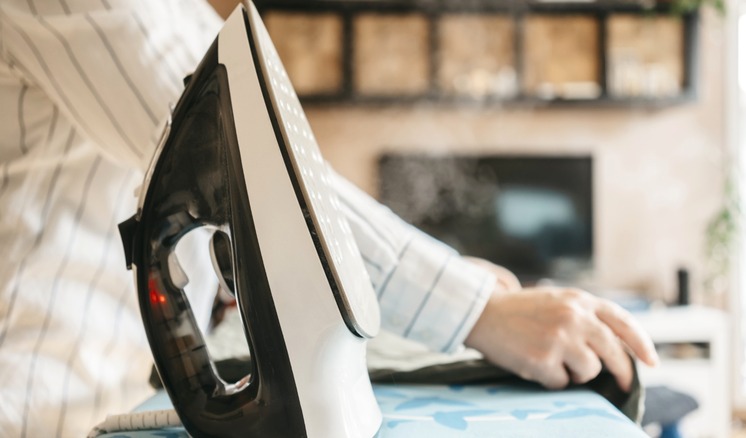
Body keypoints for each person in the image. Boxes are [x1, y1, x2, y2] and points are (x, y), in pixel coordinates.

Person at [0, 0, 658, 436]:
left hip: (113, 385)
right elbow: (265, 178)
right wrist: (479, 309)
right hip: (42, 403)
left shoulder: (181, 13)